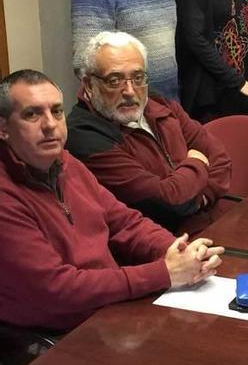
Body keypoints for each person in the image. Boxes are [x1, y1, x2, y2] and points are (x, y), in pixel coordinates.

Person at [0, 70, 223, 331]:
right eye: (32, 114)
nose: (50, 124)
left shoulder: (67, 164)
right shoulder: (6, 194)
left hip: (110, 310)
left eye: (57, 111)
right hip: (58, 337)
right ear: (3, 128)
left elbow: (124, 223)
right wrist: (164, 273)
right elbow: (57, 288)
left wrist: (177, 251)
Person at [66, 31, 231, 233]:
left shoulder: (158, 104)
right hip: (161, 244)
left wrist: (200, 198)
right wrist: (196, 162)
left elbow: (221, 158)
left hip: (207, 222)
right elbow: (167, 203)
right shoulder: (83, 135)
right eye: (114, 80)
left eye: (137, 78)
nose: (129, 91)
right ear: (89, 84)